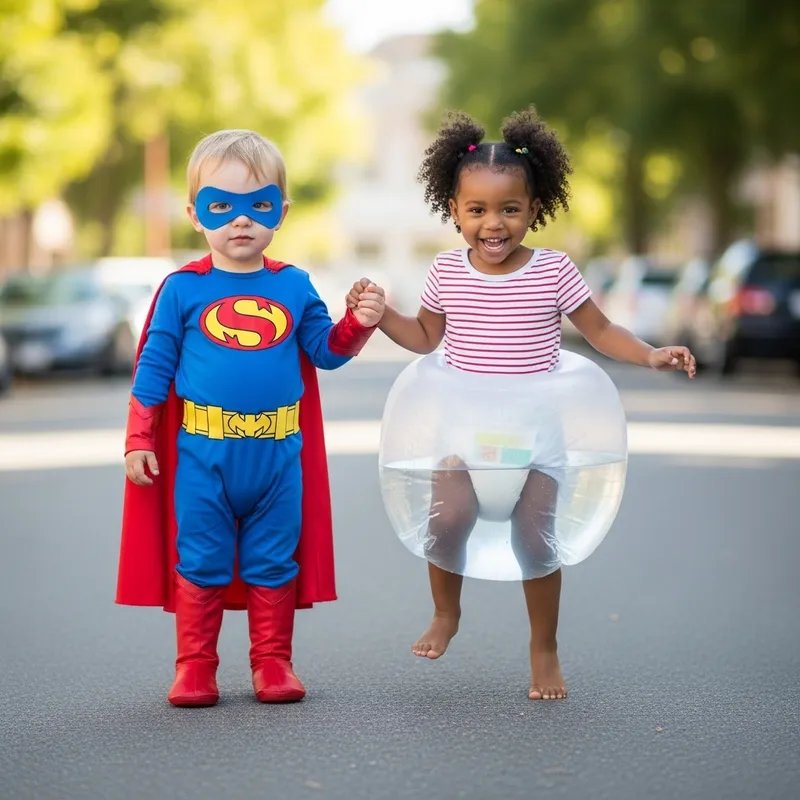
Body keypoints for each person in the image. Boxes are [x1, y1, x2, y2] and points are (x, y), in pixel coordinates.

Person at [346, 107, 695, 701]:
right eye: (477, 210)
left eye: (509, 209)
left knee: (536, 542)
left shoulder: (554, 270)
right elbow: (426, 338)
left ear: (535, 208)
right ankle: (447, 612)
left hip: (534, 444)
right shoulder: (447, 272)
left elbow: (603, 330)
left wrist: (650, 355)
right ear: (452, 210)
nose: (493, 224)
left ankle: (543, 647)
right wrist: (381, 319)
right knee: (447, 521)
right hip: (463, 438)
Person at [116, 129, 386, 708]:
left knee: (273, 557)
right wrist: (139, 438)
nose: (241, 221)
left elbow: (326, 351)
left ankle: (272, 663)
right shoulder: (182, 290)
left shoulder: (293, 284)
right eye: (223, 206)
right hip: (202, 455)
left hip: (277, 456)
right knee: (201, 557)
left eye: (257, 206)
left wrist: (358, 323)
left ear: (281, 212)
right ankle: (195, 668)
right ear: (195, 214)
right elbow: (154, 367)